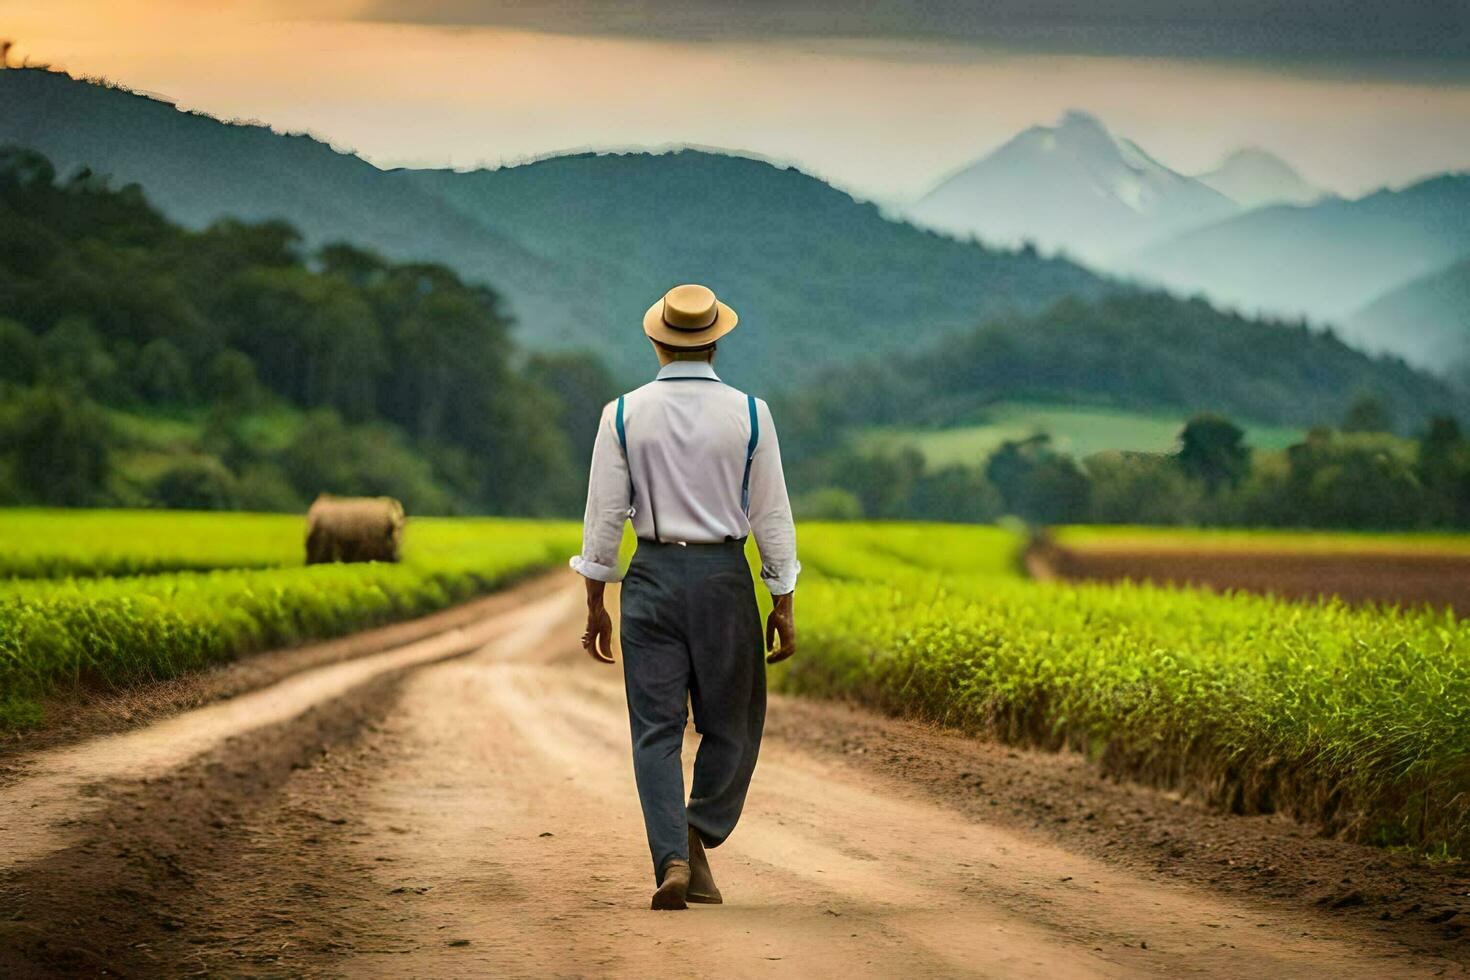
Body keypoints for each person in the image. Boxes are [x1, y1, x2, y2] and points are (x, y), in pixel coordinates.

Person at [570, 283, 799, 911]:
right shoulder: (752, 413)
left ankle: (673, 853)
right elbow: (771, 515)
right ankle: (698, 827)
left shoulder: (622, 413)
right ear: (717, 341)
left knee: (655, 731)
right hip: (726, 577)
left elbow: (603, 519)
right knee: (735, 723)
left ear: (656, 341)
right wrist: (781, 597)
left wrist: (596, 602)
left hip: (651, 578)